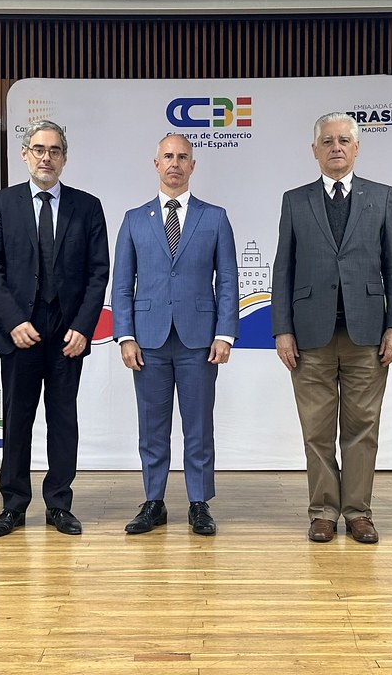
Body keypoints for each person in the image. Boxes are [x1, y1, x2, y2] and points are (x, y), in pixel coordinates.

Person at [271, 112, 392, 545]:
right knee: (317, 431)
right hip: (309, 337)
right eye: (327, 141)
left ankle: (359, 513)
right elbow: (283, 269)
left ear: (356, 148)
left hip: (368, 335)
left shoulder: (380, 196)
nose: (335, 147)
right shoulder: (295, 200)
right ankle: (323, 512)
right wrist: (282, 330)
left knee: (363, 429)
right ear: (315, 150)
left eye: (343, 140)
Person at [0, 120, 109, 538]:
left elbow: (98, 273)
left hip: (68, 333)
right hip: (20, 331)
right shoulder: (2, 204)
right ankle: (13, 505)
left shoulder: (87, 206)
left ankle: (59, 504)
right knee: (17, 420)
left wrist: (84, 327)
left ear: (65, 158)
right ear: (25, 154)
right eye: (39, 149)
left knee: (63, 420)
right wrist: (14, 321)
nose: (46, 157)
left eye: (54, 151)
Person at [112, 134, 238, 536]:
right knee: (152, 427)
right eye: (168, 156)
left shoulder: (214, 217)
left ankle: (199, 503)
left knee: (198, 426)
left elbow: (228, 280)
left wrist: (225, 333)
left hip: (199, 340)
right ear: (156, 163)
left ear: (192, 165)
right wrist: (124, 336)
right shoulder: (134, 219)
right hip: (147, 340)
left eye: (183, 157)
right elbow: (121, 285)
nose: (175, 163)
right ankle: (154, 502)